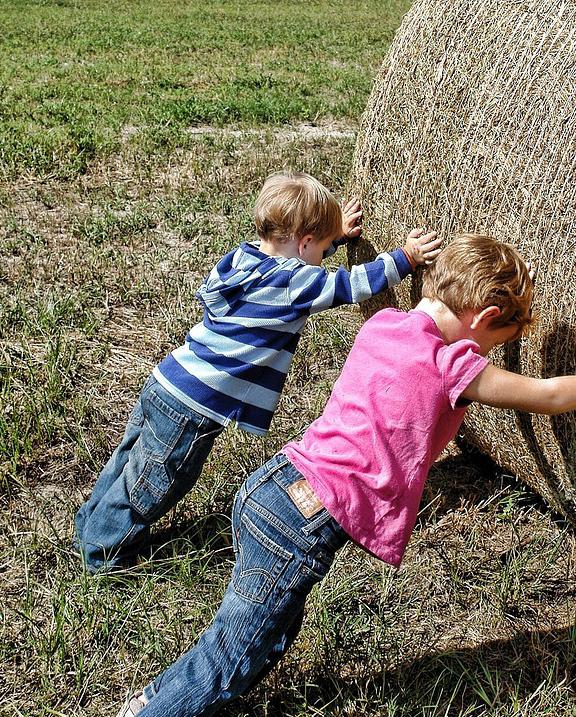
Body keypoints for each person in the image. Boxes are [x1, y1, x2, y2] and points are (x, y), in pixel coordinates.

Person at [52, 234, 576, 717]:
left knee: (262, 641)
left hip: (274, 489)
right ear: (486, 318)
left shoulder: (387, 324)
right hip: (301, 524)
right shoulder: (452, 364)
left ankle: (154, 706)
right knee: (229, 660)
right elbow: (546, 397)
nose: (493, 356)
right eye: (497, 342)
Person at [74, 171, 441, 573]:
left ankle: (90, 525)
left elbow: (297, 266)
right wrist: (405, 258)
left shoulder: (244, 257)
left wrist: (332, 239)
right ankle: (105, 555)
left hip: (169, 380)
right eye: (320, 248)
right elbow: (350, 285)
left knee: (127, 460)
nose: (323, 258)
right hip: (195, 406)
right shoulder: (293, 281)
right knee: (153, 482)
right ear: (303, 243)